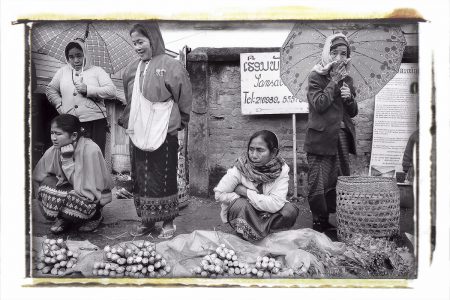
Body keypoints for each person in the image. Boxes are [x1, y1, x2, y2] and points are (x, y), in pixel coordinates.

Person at [118, 23, 193, 238]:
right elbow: (130, 99)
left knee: (164, 176)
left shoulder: (171, 66)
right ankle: (147, 221)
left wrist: (179, 121)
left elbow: (184, 97)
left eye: (141, 42)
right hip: (138, 132)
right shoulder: (131, 69)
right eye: (134, 43)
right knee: (140, 177)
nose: (137, 47)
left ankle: (168, 222)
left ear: (154, 40)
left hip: (164, 131)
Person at [304, 33, 358, 233]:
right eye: (334, 52)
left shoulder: (348, 79)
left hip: (341, 136)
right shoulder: (316, 76)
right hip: (321, 137)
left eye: (344, 54)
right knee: (318, 178)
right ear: (327, 53)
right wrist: (334, 82)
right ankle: (319, 221)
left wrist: (350, 98)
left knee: (340, 177)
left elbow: (352, 112)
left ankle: (335, 218)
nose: (339, 58)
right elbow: (319, 104)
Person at [33, 114, 113, 233]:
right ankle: (63, 218)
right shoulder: (54, 150)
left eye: (58, 134)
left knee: (72, 198)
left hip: (91, 196)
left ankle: (95, 216)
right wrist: (47, 205)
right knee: (46, 185)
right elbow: (37, 178)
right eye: (52, 133)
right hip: (73, 190)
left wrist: (67, 161)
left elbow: (86, 191)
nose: (53, 138)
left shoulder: (90, 150)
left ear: (74, 135)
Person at [214, 130, 299, 241]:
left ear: (273, 153)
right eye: (251, 149)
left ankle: (268, 237)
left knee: (290, 210)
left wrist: (246, 193)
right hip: (246, 214)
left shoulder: (281, 170)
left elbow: (276, 203)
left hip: (268, 214)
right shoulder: (240, 168)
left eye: (260, 150)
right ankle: (247, 236)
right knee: (238, 205)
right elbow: (219, 194)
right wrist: (239, 198)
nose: (254, 155)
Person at [46, 38, 117, 155]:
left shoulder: (97, 71)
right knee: (72, 155)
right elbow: (50, 89)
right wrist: (59, 104)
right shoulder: (63, 71)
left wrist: (88, 89)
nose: (76, 60)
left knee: (94, 155)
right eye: (71, 57)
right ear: (67, 58)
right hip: (70, 122)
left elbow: (112, 91)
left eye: (79, 55)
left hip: (95, 122)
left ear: (86, 54)